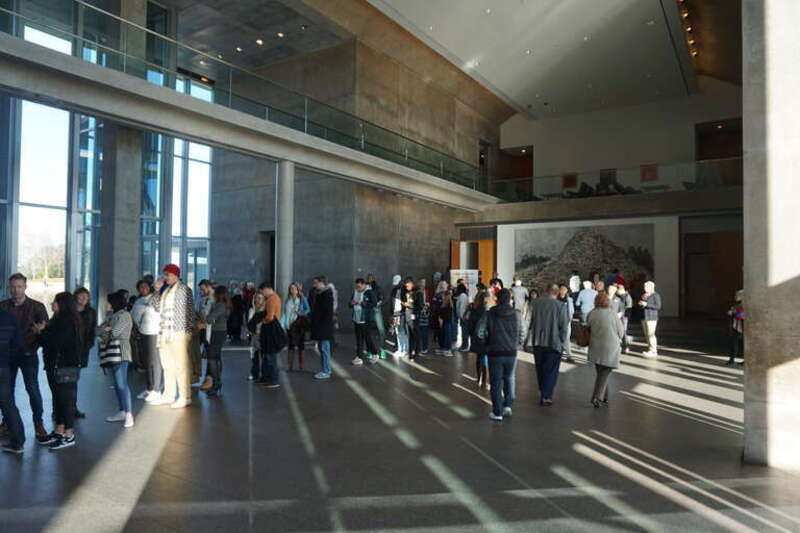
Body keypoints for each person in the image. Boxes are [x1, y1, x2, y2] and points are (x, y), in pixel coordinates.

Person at [0, 273, 49, 443]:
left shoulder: (37, 306)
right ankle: (7, 423)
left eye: (19, 286)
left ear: (25, 287)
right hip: (7, 357)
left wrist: (41, 330)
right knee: (6, 392)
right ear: (9, 287)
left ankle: (38, 423)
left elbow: (45, 329)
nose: (16, 290)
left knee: (32, 389)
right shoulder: (3, 306)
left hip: (28, 354)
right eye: (13, 286)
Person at [36, 292, 83, 450]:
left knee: (66, 401)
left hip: (64, 367)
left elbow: (55, 343)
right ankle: (59, 431)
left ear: (62, 304)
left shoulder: (66, 321)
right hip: (57, 366)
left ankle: (69, 435)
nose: (52, 304)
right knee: (59, 400)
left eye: (54, 302)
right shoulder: (59, 320)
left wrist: (41, 331)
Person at [149, 264, 195, 409]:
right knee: (167, 365)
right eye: (164, 274)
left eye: (167, 274)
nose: (165, 277)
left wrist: (187, 332)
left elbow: (190, 311)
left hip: (178, 332)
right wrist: (156, 290)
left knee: (181, 366)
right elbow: (155, 306)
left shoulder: (184, 289)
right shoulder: (166, 290)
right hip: (165, 332)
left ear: (175, 274)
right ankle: (168, 395)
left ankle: (184, 396)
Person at [528, 285, 570, 406]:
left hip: (538, 341)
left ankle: (543, 389)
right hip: (554, 343)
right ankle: (546, 396)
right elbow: (564, 327)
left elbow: (529, 321)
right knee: (551, 370)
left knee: (540, 368)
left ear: (547, 291)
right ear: (557, 293)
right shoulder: (561, 306)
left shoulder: (535, 303)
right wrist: (561, 342)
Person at [97, 292, 134, 428]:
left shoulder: (124, 316)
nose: (106, 305)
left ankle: (129, 413)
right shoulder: (112, 316)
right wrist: (105, 330)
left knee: (121, 384)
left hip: (121, 353)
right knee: (118, 384)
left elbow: (114, 333)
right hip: (113, 353)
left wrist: (106, 330)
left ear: (114, 303)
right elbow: (99, 330)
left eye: (109, 302)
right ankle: (123, 411)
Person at [486, 289, 520, 421]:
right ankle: (508, 406)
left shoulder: (490, 313)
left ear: (497, 299)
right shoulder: (516, 314)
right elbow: (521, 331)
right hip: (511, 351)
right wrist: (516, 343)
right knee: (510, 378)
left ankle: (497, 412)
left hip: (494, 351)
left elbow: (480, 331)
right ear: (510, 299)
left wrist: (487, 344)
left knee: (495, 382)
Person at [587, 291, 625, 408]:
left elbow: (588, 328)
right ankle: (596, 397)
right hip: (610, 348)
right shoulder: (612, 314)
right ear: (607, 302)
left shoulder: (591, 313)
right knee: (605, 373)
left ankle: (604, 397)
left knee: (601, 373)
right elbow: (621, 332)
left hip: (596, 347)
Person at [132, 280, 162, 403]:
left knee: (155, 361)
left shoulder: (155, 298)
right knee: (147, 362)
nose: (143, 289)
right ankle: (149, 388)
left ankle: (156, 389)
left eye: (145, 287)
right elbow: (134, 315)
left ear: (150, 287)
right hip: (143, 332)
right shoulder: (139, 301)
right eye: (140, 288)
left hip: (154, 332)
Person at [0, 307, 25, 454]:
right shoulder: (9, 317)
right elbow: (17, 345)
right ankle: (17, 443)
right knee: (8, 405)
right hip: (3, 367)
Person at [203, 286, 231, 397]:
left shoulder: (220, 306)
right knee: (216, 358)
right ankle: (217, 383)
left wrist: (208, 315)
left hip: (216, 333)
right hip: (220, 332)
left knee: (212, 359)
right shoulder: (225, 305)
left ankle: (216, 383)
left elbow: (209, 318)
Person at [73, 287, 96, 419]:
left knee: (74, 379)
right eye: (81, 296)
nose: (83, 299)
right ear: (75, 297)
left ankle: (72, 408)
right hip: (68, 350)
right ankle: (61, 409)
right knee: (66, 382)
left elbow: (92, 331)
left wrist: (88, 345)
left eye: (86, 297)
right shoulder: (69, 312)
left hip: (82, 350)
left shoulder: (91, 312)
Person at [258, 283, 283, 388]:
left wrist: (262, 321)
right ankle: (268, 378)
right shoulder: (275, 298)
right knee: (269, 356)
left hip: (271, 330)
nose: (262, 294)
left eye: (262, 291)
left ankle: (273, 380)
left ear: (267, 289)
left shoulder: (272, 299)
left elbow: (270, 317)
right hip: (272, 329)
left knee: (270, 356)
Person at [349, 278, 379, 365]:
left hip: (366, 318)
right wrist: (351, 303)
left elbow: (374, 303)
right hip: (356, 318)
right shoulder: (355, 291)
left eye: (359, 286)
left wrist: (362, 303)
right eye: (356, 286)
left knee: (367, 337)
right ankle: (359, 357)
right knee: (359, 339)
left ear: (364, 285)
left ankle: (375, 353)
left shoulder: (370, 292)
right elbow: (350, 302)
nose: (358, 288)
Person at [310, 277, 335, 379]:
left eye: (316, 283)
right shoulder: (322, 294)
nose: (314, 285)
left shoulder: (326, 294)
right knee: (323, 348)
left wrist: (319, 323)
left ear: (322, 283)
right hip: (323, 326)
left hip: (324, 327)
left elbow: (326, 312)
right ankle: (326, 369)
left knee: (324, 348)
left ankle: (326, 371)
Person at [282, 283, 310, 372]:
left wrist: (300, 313)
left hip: (299, 325)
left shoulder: (302, 299)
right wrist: (283, 325)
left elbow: (308, 309)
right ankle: (290, 366)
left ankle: (301, 366)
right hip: (290, 325)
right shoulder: (287, 300)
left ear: (298, 290)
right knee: (291, 346)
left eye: (294, 289)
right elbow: (285, 314)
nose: (292, 290)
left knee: (301, 346)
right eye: (291, 289)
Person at [467, 291, 492, 390]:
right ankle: (484, 381)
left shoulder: (475, 310)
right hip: (485, 338)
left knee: (479, 357)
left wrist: (472, 336)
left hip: (475, 338)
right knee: (485, 358)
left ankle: (479, 378)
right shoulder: (487, 311)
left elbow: (470, 325)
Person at [192, 280, 214, 388]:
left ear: (209, 287)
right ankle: (198, 376)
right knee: (199, 351)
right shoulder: (202, 298)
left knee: (210, 354)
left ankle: (209, 379)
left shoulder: (214, 299)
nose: (201, 291)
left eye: (203, 289)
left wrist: (204, 324)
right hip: (201, 327)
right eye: (200, 289)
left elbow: (212, 315)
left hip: (209, 329)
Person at [639, 281, 662, 358]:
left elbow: (658, 306)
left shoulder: (656, 295)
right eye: (644, 287)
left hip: (651, 318)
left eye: (646, 287)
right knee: (646, 334)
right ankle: (650, 349)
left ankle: (654, 350)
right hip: (644, 317)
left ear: (651, 287)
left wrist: (646, 304)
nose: (645, 288)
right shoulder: (644, 295)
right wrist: (641, 303)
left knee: (651, 334)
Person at [247, 292, 266, 380]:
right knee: (254, 355)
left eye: (260, 298)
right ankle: (254, 373)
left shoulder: (265, 310)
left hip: (263, 335)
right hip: (254, 335)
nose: (258, 300)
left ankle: (264, 373)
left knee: (264, 355)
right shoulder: (252, 310)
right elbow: (249, 322)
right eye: (257, 298)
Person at [401, 278, 420, 359]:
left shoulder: (418, 293)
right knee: (410, 335)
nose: (406, 287)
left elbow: (419, 306)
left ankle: (416, 351)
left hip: (414, 316)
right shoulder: (407, 292)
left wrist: (408, 305)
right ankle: (410, 351)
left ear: (411, 283)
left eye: (407, 285)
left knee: (415, 334)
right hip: (408, 316)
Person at [366, 274, 386, 352]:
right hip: (368, 311)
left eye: (371, 278)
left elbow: (383, 298)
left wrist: (378, 303)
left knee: (381, 330)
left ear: (373, 279)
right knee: (367, 331)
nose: (370, 280)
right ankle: (370, 350)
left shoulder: (377, 288)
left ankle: (382, 350)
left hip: (376, 309)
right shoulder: (365, 287)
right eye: (368, 278)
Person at [557, 284, 576, 363]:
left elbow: (571, 311)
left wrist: (569, 319)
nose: (563, 290)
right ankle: (558, 353)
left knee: (566, 338)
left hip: (566, 321)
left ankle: (569, 355)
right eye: (561, 289)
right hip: (556, 321)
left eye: (565, 289)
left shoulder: (569, 300)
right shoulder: (556, 299)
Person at [727, 290, 745, 366]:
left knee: (734, 344)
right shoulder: (738, 305)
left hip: (740, 327)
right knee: (734, 343)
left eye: (737, 295)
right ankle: (732, 360)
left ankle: (732, 360)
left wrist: (733, 313)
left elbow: (742, 316)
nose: (735, 297)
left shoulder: (743, 305)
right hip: (737, 326)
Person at [436, 289, 456, 357]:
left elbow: (446, 314)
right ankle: (445, 349)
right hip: (445, 321)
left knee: (447, 335)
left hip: (447, 321)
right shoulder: (446, 303)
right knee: (445, 335)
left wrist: (441, 318)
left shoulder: (448, 304)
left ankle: (448, 350)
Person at [413, 277, 430, 356]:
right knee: (421, 331)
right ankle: (420, 348)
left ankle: (424, 347)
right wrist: (424, 305)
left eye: (424, 283)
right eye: (422, 282)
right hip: (420, 314)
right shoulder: (418, 292)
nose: (423, 284)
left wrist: (426, 306)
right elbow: (420, 304)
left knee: (424, 332)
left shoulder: (425, 292)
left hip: (424, 315)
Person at [616, 284, 633, 354]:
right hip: (621, 316)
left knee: (624, 332)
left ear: (620, 290)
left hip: (624, 317)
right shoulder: (621, 296)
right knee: (621, 331)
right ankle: (623, 346)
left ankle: (626, 346)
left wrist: (622, 313)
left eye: (617, 291)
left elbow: (628, 307)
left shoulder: (627, 296)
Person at [454, 283, 470, 351]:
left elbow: (462, 307)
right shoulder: (462, 296)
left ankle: (465, 346)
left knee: (464, 332)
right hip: (463, 316)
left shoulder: (463, 296)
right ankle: (463, 345)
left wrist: (461, 316)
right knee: (464, 332)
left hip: (464, 317)